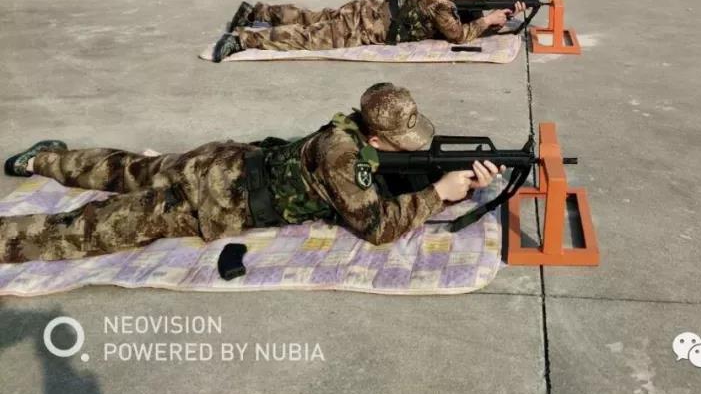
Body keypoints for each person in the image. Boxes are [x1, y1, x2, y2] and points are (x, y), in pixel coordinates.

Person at [0, 83, 502, 262]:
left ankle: (43, 160)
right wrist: (439, 194)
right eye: (399, 142)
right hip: (211, 200)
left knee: (126, 168)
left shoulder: (346, 128)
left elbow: (384, 178)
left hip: (219, 161)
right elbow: (378, 227)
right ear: (375, 139)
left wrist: (457, 181)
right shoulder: (343, 159)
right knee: (90, 229)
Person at [213, 0, 524, 60]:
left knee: (313, 17)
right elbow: (458, 35)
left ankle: (256, 12)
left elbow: (460, 16)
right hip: (368, 27)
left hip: (371, 8)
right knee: (307, 37)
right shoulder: (441, 5)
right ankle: (242, 39)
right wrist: (488, 20)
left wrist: (497, 16)